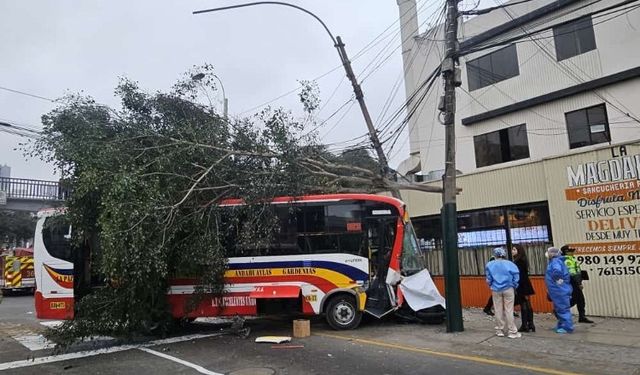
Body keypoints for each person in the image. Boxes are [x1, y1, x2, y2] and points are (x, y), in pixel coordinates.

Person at [485, 247, 521, 338]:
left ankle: (499, 330)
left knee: (498, 309)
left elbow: (489, 278)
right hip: (508, 288)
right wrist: (514, 284)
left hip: (496, 289)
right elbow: (516, 276)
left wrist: (491, 285)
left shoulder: (489, 264)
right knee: (509, 310)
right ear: (504, 254)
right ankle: (512, 331)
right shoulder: (510, 264)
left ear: (495, 255)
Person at [561, 245, 594, 323]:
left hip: (575, 281)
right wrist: (578, 283)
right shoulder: (567, 261)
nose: (573, 252)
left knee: (581, 300)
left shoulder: (572, 259)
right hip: (572, 282)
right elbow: (572, 274)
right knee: (575, 299)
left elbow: (577, 271)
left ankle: (582, 317)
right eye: (571, 251)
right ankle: (561, 309)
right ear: (566, 252)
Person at [545, 247, 574, 334]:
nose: (547, 254)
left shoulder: (555, 262)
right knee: (560, 309)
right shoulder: (557, 261)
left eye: (548, 252)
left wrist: (557, 280)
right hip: (558, 289)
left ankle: (567, 327)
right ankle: (562, 325)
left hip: (559, 289)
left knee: (562, 309)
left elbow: (557, 272)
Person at [511, 244, 535, 332]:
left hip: (521, 284)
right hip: (526, 284)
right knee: (528, 304)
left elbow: (519, 275)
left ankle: (525, 325)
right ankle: (531, 324)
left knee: (523, 304)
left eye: (514, 249)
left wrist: (516, 285)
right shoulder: (523, 260)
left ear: (519, 251)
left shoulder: (518, 262)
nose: (512, 251)